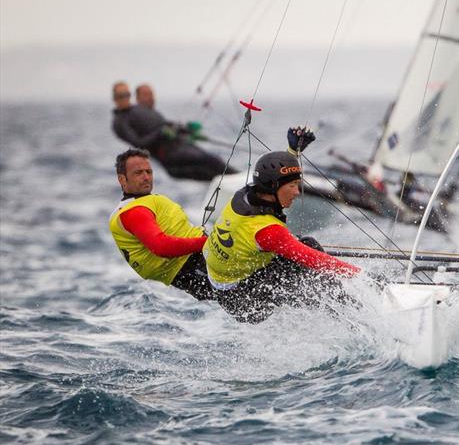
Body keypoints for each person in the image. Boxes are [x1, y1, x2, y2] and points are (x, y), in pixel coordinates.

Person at [204, 126, 361, 323]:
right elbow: (316, 260)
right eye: (293, 186)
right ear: (273, 189)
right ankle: (353, 313)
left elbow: (274, 176)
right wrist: (362, 278)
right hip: (242, 301)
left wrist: (292, 152)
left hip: (226, 282)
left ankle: (341, 303)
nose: (297, 192)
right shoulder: (267, 231)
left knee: (305, 254)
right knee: (309, 250)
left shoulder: (248, 194)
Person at [109, 148, 215, 300]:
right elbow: (161, 246)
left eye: (149, 172)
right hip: (193, 266)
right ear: (122, 179)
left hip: (199, 262)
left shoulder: (142, 202)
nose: (146, 177)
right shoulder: (134, 211)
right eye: (138, 173)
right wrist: (209, 243)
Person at [111, 81, 234, 181]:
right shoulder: (120, 122)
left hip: (180, 147)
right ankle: (240, 182)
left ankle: (241, 181)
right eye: (121, 96)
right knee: (211, 164)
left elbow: (165, 125)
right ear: (115, 99)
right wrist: (160, 132)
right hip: (170, 159)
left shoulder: (139, 110)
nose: (125, 98)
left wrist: (186, 129)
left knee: (215, 163)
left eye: (127, 94)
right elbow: (139, 144)